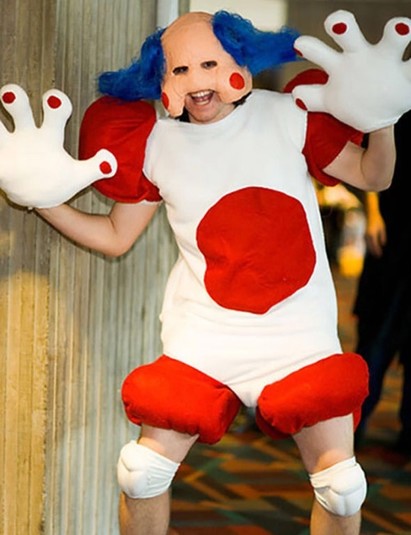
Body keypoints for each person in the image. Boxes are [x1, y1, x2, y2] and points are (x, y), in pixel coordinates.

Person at [0, 9, 403, 535]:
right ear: (161, 82)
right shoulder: (157, 144)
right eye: (180, 69)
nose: (196, 81)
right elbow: (116, 237)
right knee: (141, 472)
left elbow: (374, 175)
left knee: (342, 487)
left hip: (299, 337)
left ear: (240, 64)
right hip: (204, 340)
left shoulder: (290, 115)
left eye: (209, 64)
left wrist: (382, 120)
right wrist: (40, 200)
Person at [353, 110, 411, 455]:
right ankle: (354, 423)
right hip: (392, 233)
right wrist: (372, 214)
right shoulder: (399, 101)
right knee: (377, 333)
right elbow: (368, 153)